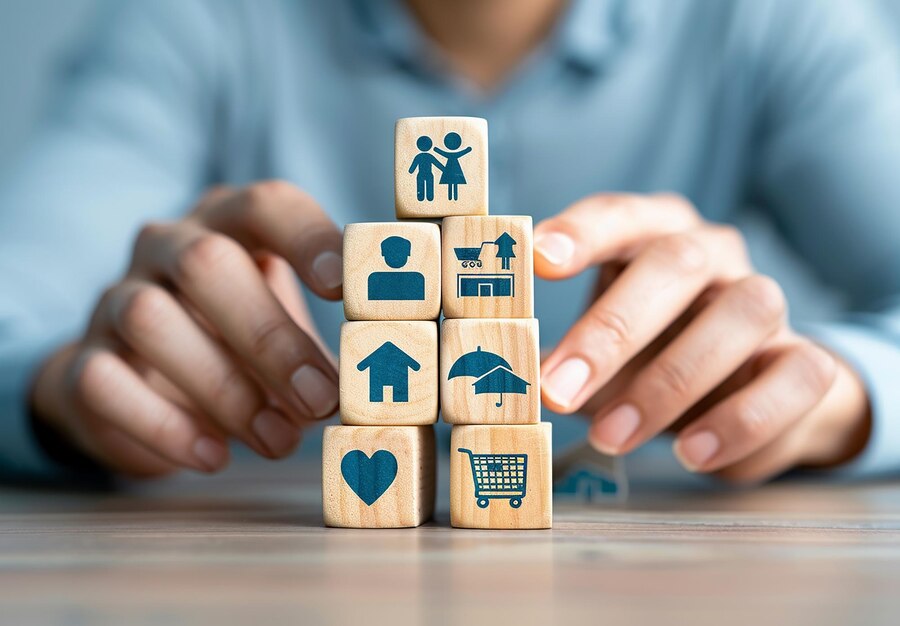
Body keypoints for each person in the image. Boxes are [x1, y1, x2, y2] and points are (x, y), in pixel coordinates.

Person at [0, 0, 898, 483]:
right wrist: (59, 394)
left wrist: (842, 396)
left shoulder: (777, 18)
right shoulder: (196, 19)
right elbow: (15, 315)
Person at [434, 132, 472, 201]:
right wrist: (467, 150)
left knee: (452, 183)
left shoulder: (450, 155)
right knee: (453, 183)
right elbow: (460, 153)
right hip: (455, 169)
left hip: (450, 169)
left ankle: (452, 197)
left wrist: (437, 150)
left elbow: (444, 153)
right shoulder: (454, 155)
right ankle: (452, 197)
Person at [407, 135, 444, 202]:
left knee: (421, 186)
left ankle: (421, 197)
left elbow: (413, 167)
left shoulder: (418, 156)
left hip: (421, 174)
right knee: (429, 186)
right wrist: (444, 169)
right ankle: (429, 197)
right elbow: (437, 164)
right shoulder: (429, 156)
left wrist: (411, 171)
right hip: (429, 174)